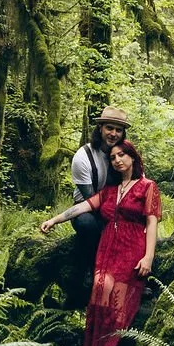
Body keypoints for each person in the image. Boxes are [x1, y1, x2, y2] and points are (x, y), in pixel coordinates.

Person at [39, 138, 159, 346]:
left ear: (133, 157)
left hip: (131, 246)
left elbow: (152, 223)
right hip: (106, 249)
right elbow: (82, 207)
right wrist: (54, 220)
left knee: (118, 301)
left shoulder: (147, 186)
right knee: (99, 294)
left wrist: (148, 258)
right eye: (113, 157)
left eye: (122, 155)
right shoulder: (110, 191)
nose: (117, 160)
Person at [63, 107, 130, 304]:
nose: (113, 134)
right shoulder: (83, 157)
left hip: (117, 207)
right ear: (100, 128)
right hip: (87, 208)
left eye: (118, 130)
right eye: (109, 128)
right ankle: (91, 274)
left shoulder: (124, 154)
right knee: (88, 225)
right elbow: (91, 199)